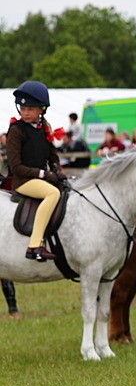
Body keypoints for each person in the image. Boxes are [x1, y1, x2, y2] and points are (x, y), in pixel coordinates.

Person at [7, 81, 66, 262]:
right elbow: (16, 167)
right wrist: (43, 174)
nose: (25, 112)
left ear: (41, 109)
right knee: (52, 193)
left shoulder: (44, 128)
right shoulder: (16, 131)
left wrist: (56, 169)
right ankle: (35, 245)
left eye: (30, 109)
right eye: (23, 108)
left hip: (39, 178)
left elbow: (52, 155)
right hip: (23, 181)